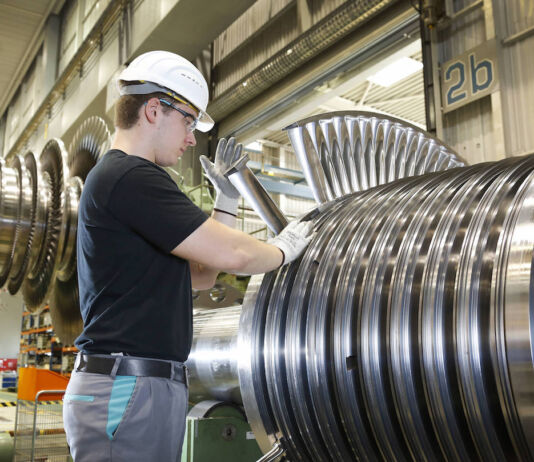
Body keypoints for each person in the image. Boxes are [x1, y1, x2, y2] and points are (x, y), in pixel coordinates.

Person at [62, 50, 313, 462]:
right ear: (154, 110)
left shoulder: (128, 181)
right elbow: (233, 253)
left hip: (142, 387)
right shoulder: (130, 176)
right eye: (189, 120)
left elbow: (201, 275)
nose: (192, 138)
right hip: (127, 387)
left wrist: (226, 203)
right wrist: (283, 250)